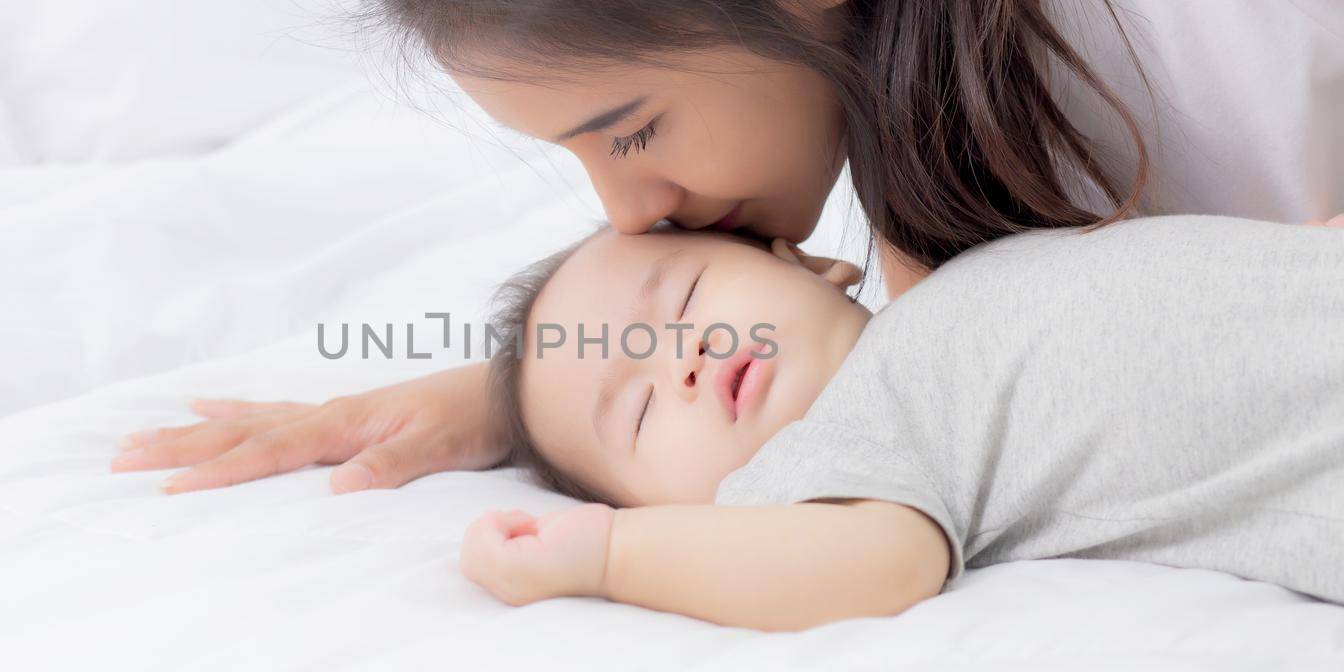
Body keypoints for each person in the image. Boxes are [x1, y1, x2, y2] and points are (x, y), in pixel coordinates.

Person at [110, 1, 1344, 495]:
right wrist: (551, 392)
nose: (627, 205)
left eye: (633, 129)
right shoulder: (921, 154)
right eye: (577, 161)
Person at [457, 217, 1343, 630]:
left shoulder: (958, 267)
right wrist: (612, 556)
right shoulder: (834, 455)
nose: (681, 360)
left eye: (684, 299)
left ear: (810, 264)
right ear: (674, 514)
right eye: (642, 412)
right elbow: (881, 566)